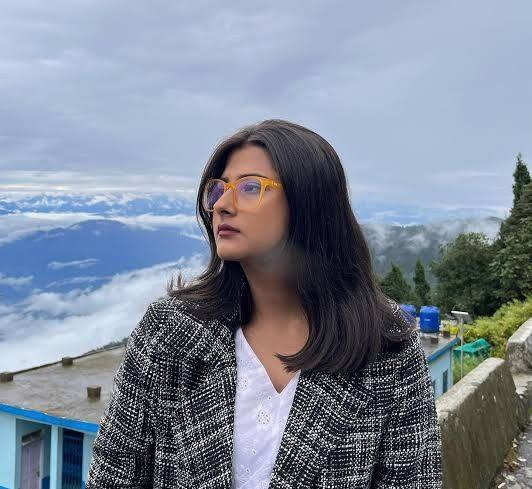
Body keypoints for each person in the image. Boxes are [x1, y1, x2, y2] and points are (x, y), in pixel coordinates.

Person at [86, 119, 443, 488]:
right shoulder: (168, 334)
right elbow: (112, 477)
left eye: (250, 187)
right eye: (218, 190)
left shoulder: (386, 351)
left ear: (310, 203)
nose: (221, 205)